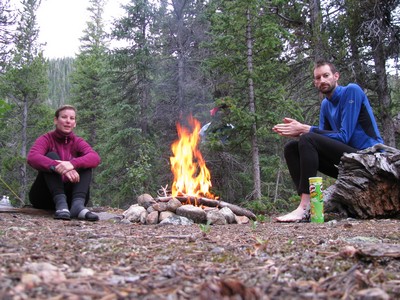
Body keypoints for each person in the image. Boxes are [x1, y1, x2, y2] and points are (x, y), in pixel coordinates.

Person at [272, 60, 384, 222]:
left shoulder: (351, 91)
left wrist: (306, 129)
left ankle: (304, 207)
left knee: (308, 137)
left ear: (336, 76)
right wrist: (300, 133)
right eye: (318, 78)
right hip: (348, 163)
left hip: (369, 160)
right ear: (315, 82)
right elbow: (321, 137)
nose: (322, 80)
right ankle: (308, 206)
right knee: (292, 147)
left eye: (326, 75)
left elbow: (344, 136)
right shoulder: (326, 104)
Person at [27, 105, 101, 221]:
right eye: (64, 117)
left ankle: (77, 205)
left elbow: (95, 157)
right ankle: (61, 204)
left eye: (72, 118)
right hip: (45, 197)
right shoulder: (46, 139)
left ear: (75, 123)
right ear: (56, 120)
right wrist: (57, 165)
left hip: (71, 199)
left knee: (86, 163)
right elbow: (32, 157)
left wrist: (72, 164)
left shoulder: (78, 142)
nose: (68, 121)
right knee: (51, 156)